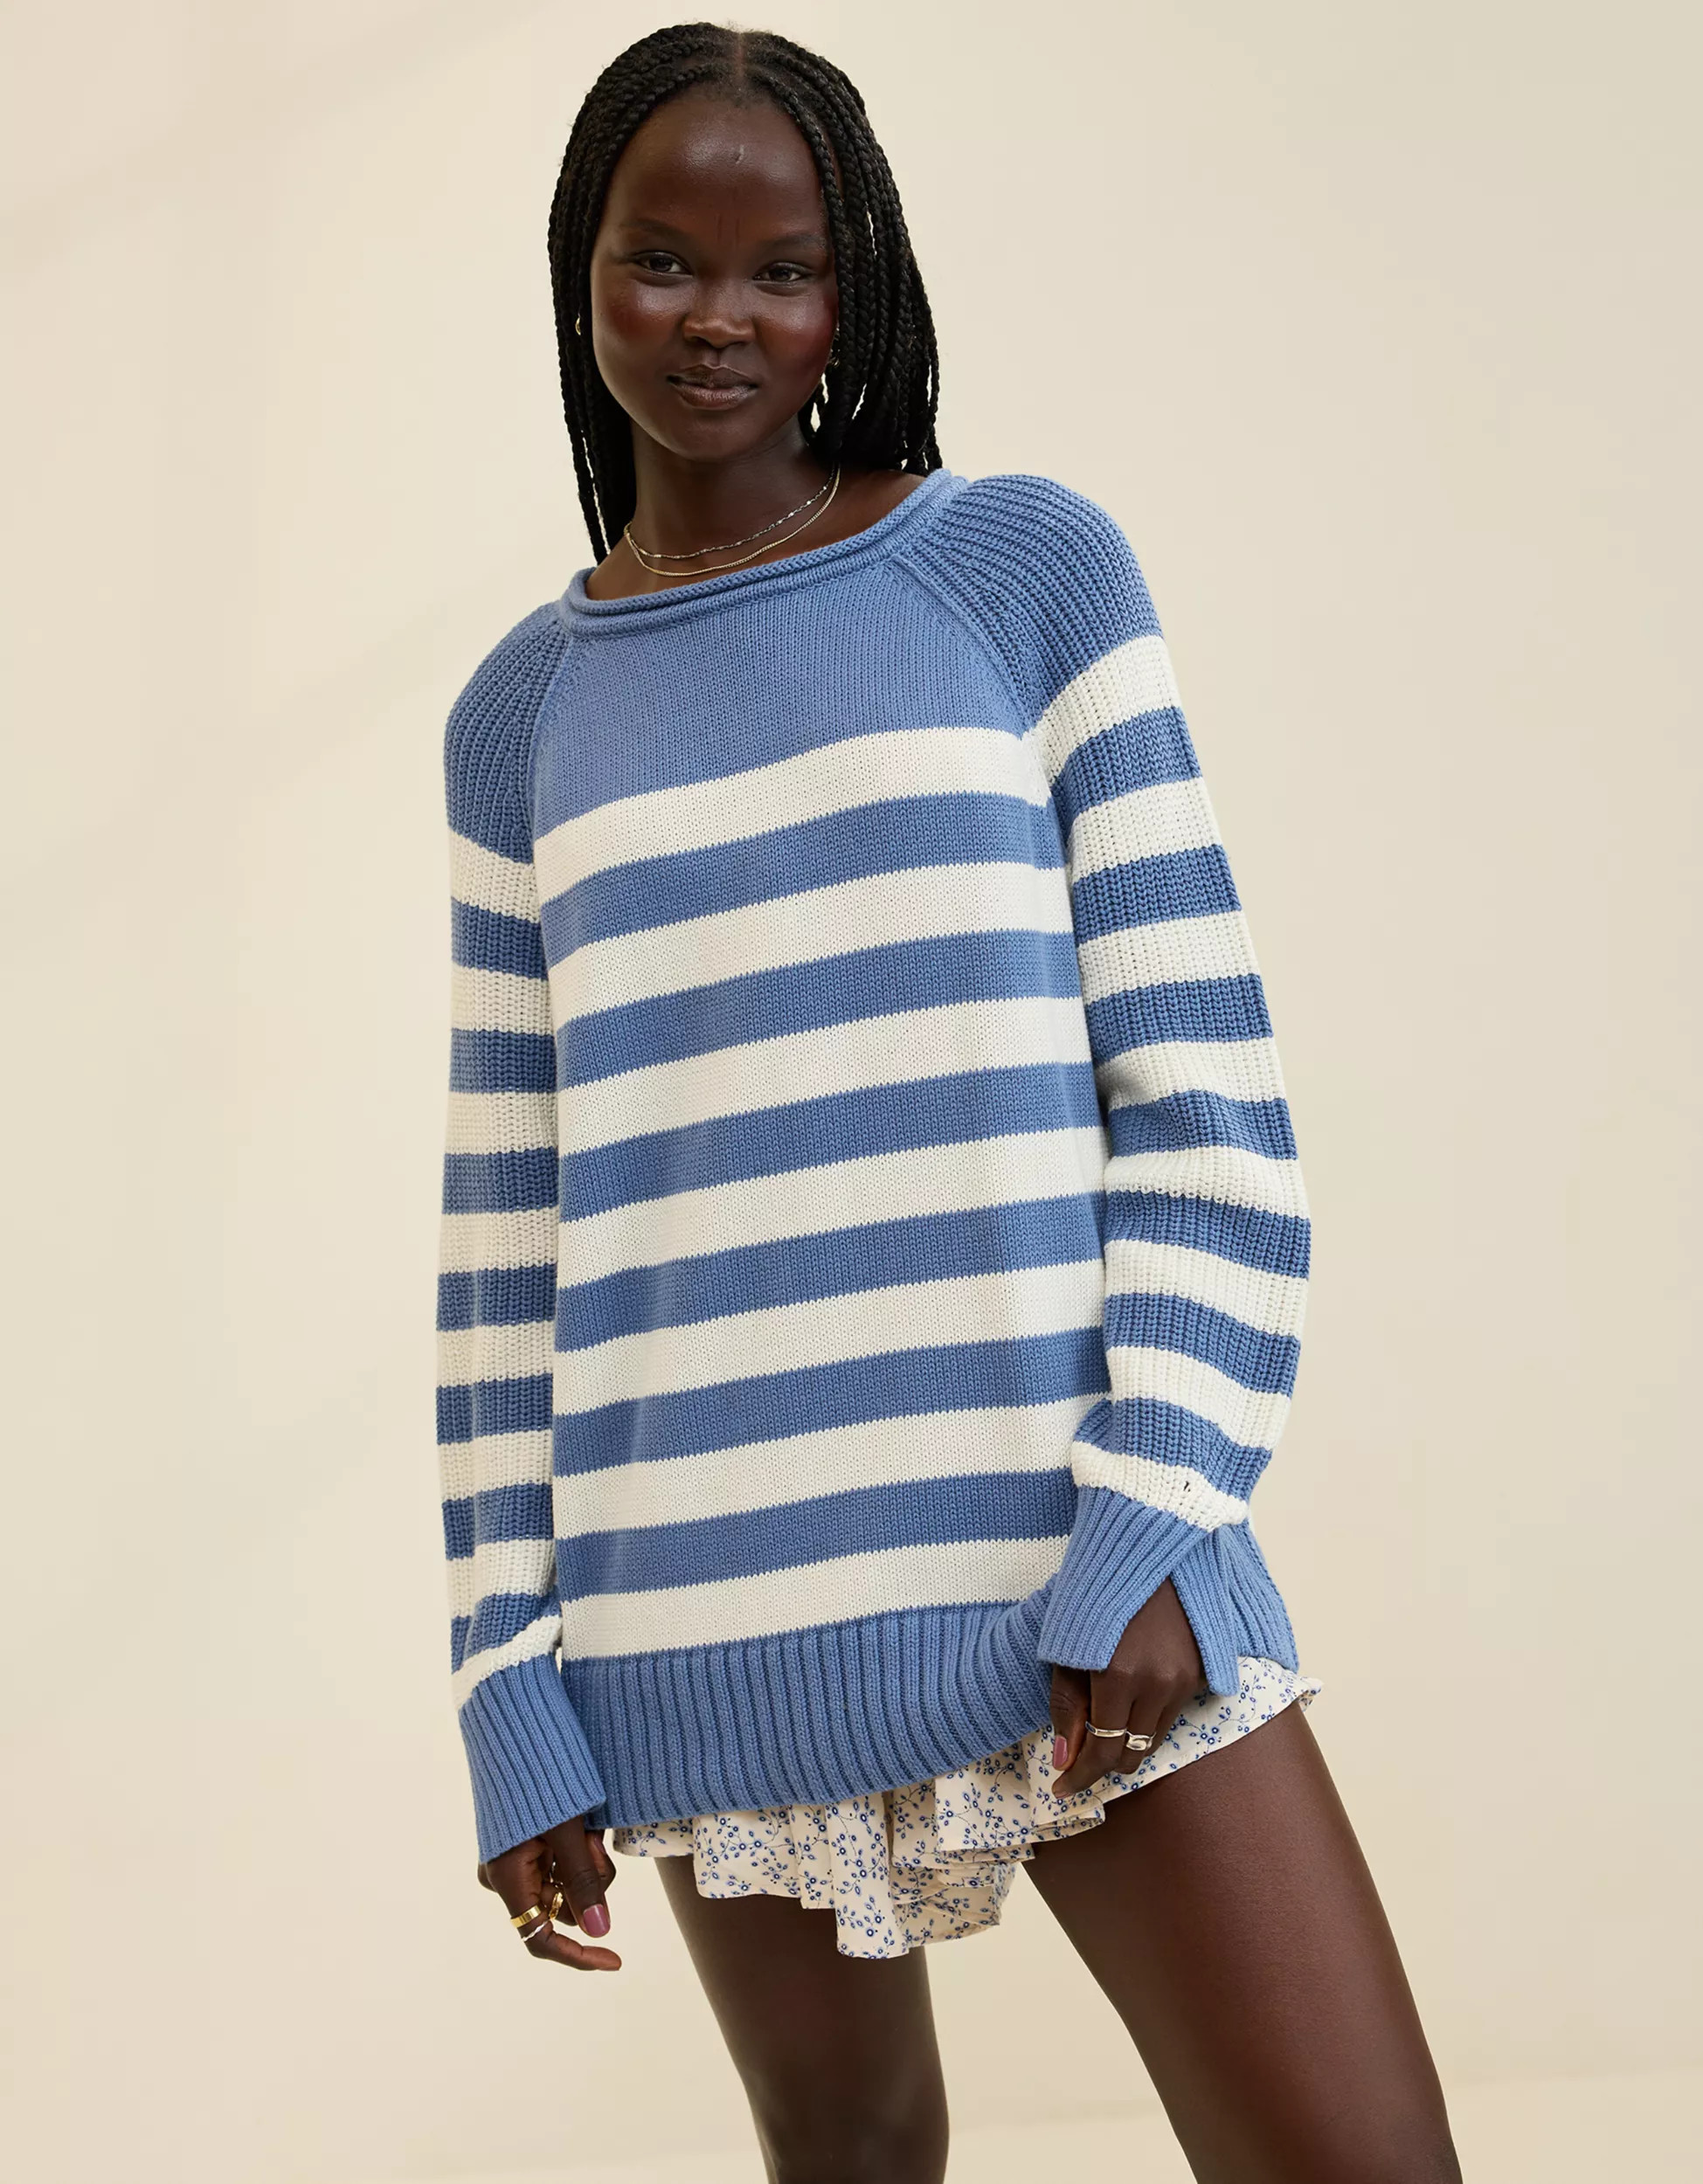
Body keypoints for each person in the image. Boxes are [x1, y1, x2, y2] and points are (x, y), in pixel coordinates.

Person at [434, 23, 1460, 2182]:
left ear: (856, 290)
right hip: (693, 1602)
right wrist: (508, 1676)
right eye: (660, 259)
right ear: (579, 273)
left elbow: (1203, 1093)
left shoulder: (1019, 574)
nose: (718, 317)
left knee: (1362, 2157)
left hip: (1070, 1562)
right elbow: (511, 1236)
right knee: (853, 2150)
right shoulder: (521, 716)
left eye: (781, 270)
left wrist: (1154, 1508)